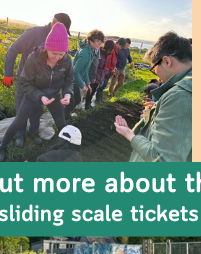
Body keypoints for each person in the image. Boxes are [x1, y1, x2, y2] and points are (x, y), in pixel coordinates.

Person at [0, 22, 74, 162]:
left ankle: (66, 148)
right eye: (54, 53)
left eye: (61, 54)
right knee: (19, 121)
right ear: (46, 48)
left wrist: (67, 93)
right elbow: (25, 82)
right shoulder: (34, 58)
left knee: (61, 122)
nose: (57, 57)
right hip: (34, 94)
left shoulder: (67, 61)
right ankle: (2, 147)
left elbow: (69, 80)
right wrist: (40, 96)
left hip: (54, 95)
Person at [113, 32, 193, 162]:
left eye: (154, 69)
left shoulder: (180, 95)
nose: (157, 77)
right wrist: (157, 110)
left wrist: (130, 135)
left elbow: (162, 160)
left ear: (166, 61)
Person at [66, 30, 104, 119]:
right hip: (71, 78)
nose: (100, 43)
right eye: (97, 41)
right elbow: (75, 71)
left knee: (76, 99)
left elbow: (85, 70)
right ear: (91, 41)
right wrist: (82, 85)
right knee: (74, 99)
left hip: (76, 77)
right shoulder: (85, 53)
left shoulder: (91, 51)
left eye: (101, 41)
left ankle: (66, 115)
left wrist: (87, 84)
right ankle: (65, 116)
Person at [92, 40, 115, 106]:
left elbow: (104, 66)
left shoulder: (106, 55)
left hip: (101, 74)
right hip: (96, 74)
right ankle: (88, 104)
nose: (111, 51)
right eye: (111, 49)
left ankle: (94, 102)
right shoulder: (100, 54)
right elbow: (97, 66)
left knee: (96, 89)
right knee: (92, 90)